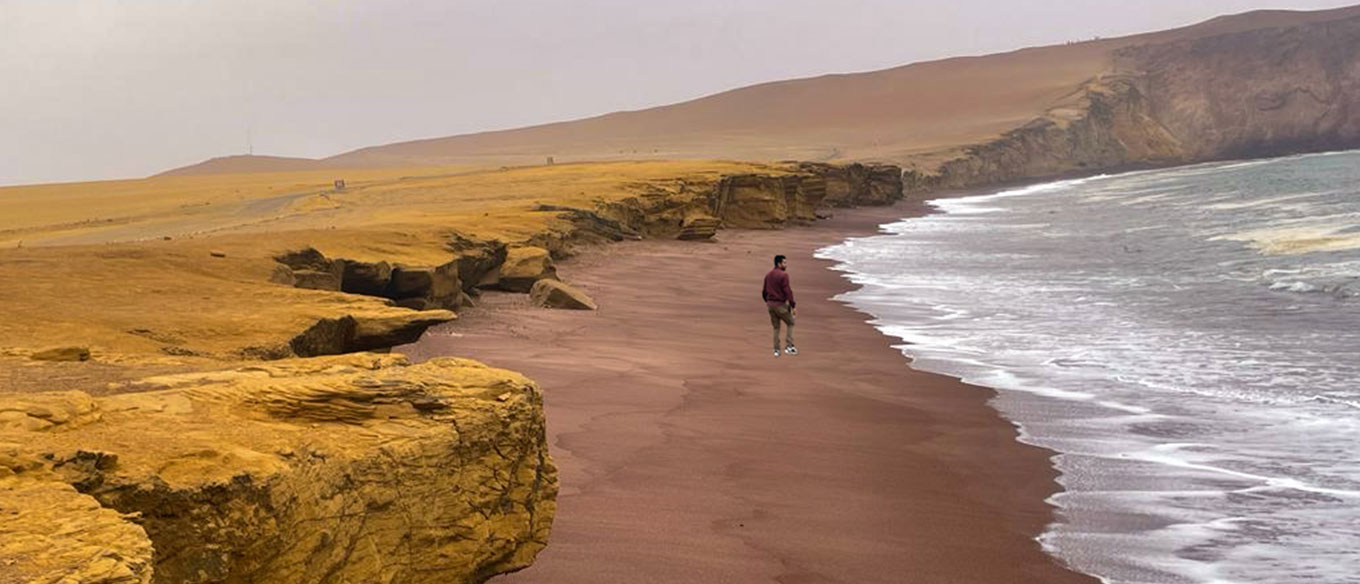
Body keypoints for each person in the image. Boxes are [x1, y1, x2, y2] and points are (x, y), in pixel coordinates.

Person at [762, 254, 797, 357]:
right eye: (784, 263)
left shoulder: (768, 275)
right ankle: (789, 346)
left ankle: (776, 350)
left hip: (770, 305)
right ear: (779, 263)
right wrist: (792, 305)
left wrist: (768, 301)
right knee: (791, 322)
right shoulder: (783, 275)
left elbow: (764, 291)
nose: (786, 265)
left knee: (776, 327)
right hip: (780, 304)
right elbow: (788, 291)